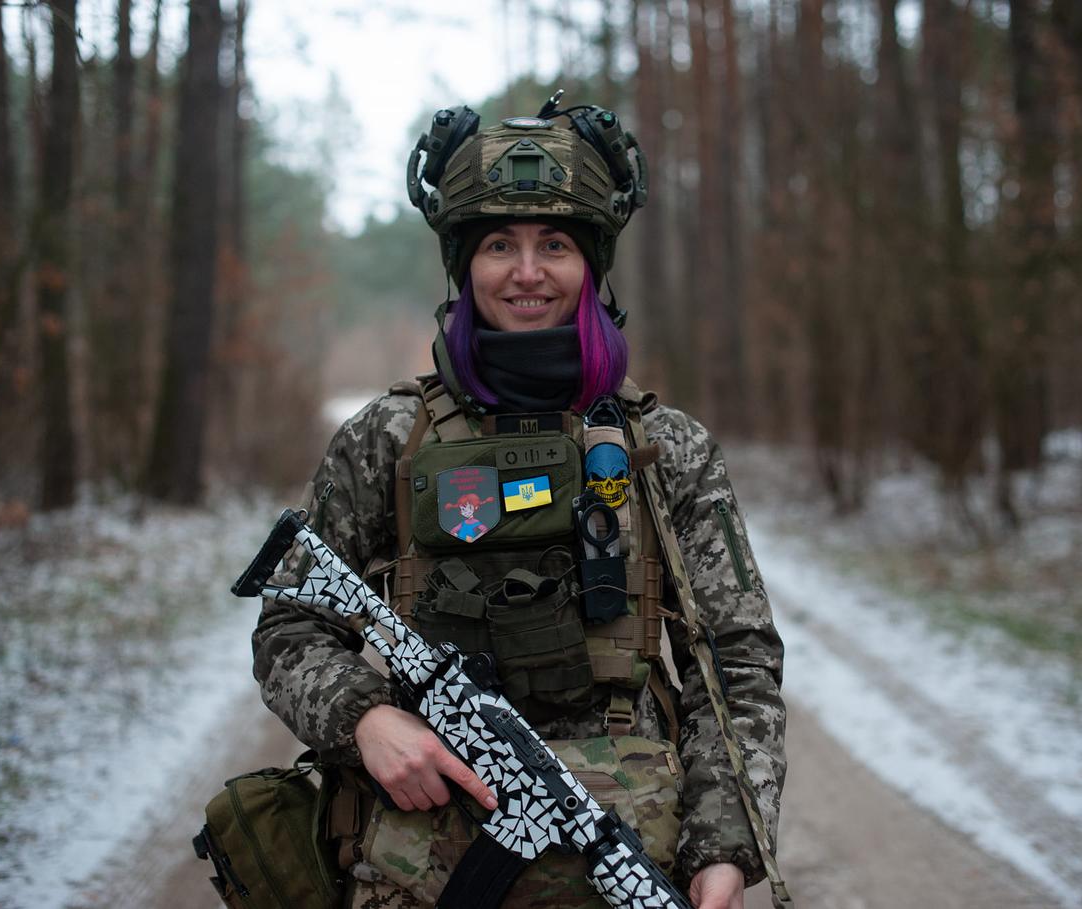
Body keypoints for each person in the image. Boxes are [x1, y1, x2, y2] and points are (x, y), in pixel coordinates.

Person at [252, 96, 787, 909]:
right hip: (417, 874)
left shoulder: (664, 447)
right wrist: (364, 718)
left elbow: (735, 664)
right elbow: (291, 625)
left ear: (592, 264)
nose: (528, 272)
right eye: (500, 243)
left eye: (555, 245)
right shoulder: (388, 437)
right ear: (465, 263)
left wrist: (725, 847)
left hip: (632, 857)